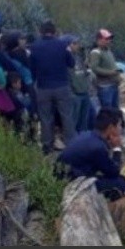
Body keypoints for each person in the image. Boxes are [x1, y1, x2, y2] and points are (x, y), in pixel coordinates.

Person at [56, 109, 125, 201]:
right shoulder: (98, 147)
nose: (121, 128)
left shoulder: (87, 135)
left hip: (66, 177)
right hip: (73, 185)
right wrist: (116, 148)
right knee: (121, 183)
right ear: (111, 127)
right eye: (119, 125)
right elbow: (114, 172)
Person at [30, 20, 76, 154]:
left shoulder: (34, 47)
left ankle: (46, 145)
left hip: (43, 87)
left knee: (45, 117)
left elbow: (32, 68)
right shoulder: (62, 45)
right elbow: (71, 63)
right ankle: (71, 144)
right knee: (66, 115)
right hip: (62, 85)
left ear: (41, 32)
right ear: (55, 32)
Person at [89, 28, 123, 118]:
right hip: (105, 86)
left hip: (113, 84)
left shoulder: (108, 51)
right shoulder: (96, 52)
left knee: (115, 109)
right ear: (99, 40)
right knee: (108, 110)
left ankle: (116, 128)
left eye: (109, 39)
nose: (109, 41)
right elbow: (94, 68)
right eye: (106, 39)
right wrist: (110, 73)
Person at [64, 35, 94, 133]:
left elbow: (84, 72)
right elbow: (66, 77)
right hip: (74, 93)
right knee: (74, 119)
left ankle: (83, 137)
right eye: (74, 43)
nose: (77, 46)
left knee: (84, 119)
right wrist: (71, 92)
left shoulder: (79, 57)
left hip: (84, 91)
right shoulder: (65, 58)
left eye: (77, 43)